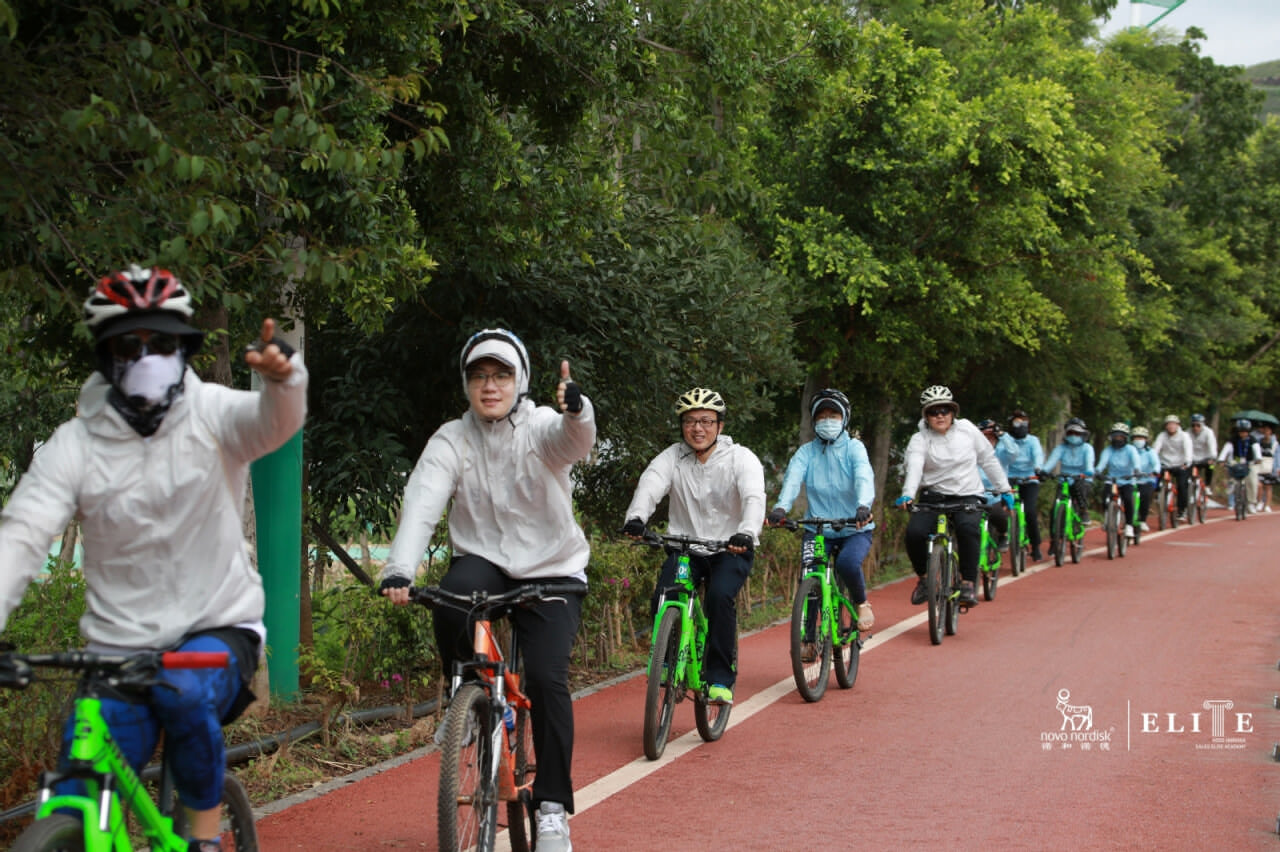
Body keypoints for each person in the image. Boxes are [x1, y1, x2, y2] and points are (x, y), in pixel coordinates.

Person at [0, 265, 307, 852]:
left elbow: (274, 422)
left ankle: (204, 837)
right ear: (105, 356)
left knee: (181, 693)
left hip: (217, 630)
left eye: (161, 343)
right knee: (76, 781)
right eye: (128, 345)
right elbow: (21, 537)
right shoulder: (75, 446)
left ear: (183, 349)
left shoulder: (214, 414)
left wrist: (283, 380)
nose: (146, 358)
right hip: (118, 649)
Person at [379, 328, 593, 852]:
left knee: (547, 679)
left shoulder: (540, 425)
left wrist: (576, 411)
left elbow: (573, 442)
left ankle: (551, 809)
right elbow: (423, 502)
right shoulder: (451, 439)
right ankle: (470, 702)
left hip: (552, 568)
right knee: (451, 598)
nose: (490, 386)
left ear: (521, 382)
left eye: (501, 375)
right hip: (485, 561)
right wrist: (400, 569)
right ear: (466, 385)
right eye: (479, 376)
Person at [623, 387, 765, 707]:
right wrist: (636, 518)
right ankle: (667, 660)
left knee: (719, 598)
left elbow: (754, 497)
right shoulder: (672, 456)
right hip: (686, 548)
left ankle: (720, 679)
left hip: (730, 548)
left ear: (720, 426)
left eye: (706, 421)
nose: (697, 428)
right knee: (664, 594)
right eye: (690, 421)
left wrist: (746, 531)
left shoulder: (741, 458)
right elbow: (651, 483)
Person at [767, 389, 875, 633]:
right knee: (810, 574)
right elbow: (792, 480)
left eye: (833, 415)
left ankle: (861, 603)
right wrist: (781, 508)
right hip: (817, 529)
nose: (827, 421)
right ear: (814, 421)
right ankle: (807, 637)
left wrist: (863, 506)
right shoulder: (806, 452)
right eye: (821, 416)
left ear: (844, 419)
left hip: (855, 527)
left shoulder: (854, 448)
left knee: (847, 563)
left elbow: (863, 476)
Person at [895, 386, 1012, 608]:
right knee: (914, 534)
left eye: (945, 410)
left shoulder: (967, 430)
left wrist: (1004, 489)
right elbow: (915, 467)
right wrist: (908, 494)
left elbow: (987, 459)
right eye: (933, 412)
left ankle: (968, 582)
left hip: (967, 494)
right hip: (933, 496)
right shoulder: (920, 439)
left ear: (953, 412)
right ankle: (924, 579)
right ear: (926, 416)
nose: (940, 416)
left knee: (968, 529)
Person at [996, 408, 1046, 561]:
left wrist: (1038, 469)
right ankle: (1002, 537)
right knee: (1000, 510)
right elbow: (998, 457)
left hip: (1029, 479)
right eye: (1017, 422)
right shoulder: (1005, 440)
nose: (1021, 425)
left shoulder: (1033, 441)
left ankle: (1035, 545)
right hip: (1009, 479)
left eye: (1024, 422)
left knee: (1030, 512)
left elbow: (1038, 455)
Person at [1041, 417, 1096, 532]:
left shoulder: (1087, 448)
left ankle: (1083, 511)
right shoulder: (1061, 448)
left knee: (1080, 487)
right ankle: (1054, 539)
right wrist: (1044, 472)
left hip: (1082, 479)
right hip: (1065, 480)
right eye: (1070, 433)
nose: (1073, 436)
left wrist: (1087, 473)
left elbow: (1089, 464)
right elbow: (1051, 462)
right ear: (1066, 434)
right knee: (1055, 509)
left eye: (1077, 433)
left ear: (1083, 434)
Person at [1094, 423, 1142, 540]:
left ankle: (1129, 525)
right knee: (1105, 498)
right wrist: (1098, 471)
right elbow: (1102, 463)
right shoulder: (1108, 450)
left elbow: (1136, 461)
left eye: (1120, 437)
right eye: (1115, 436)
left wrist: (1137, 470)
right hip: (1112, 480)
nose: (1117, 439)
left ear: (1126, 438)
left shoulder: (1131, 449)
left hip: (1127, 480)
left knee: (1128, 499)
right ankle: (1108, 519)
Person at [976, 419, 1011, 548]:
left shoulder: (1002, 452)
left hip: (995, 494)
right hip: (974, 494)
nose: (988, 440)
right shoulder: (972, 452)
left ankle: (1003, 534)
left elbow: (1013, 453)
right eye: (985, 437)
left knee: (998, 515)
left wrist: (1003, 435)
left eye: (991, 436)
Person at [1151, 414, 1193, 521]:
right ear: (1166, 426)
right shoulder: (1162, 435)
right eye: (1169, 424)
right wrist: (1153, 461)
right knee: (1153, 477)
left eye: (1173, 424)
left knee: (1182, 486)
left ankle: (1182, 510)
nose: (1171, 426)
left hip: (1180, 464)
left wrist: (1187, 462)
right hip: (1165, 463)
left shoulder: (1184, 436)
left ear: (1178, 425)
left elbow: (1188, 450)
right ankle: (1157, 496)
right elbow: (1155, 449)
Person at [1216, 418, 1263, 512]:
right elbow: (1226, 449)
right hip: (1236, 461)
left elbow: (1257, 449)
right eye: (1241, 431)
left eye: (1245, 431)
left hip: (1249, 462)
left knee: (1252, 481)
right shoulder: (1233, 439)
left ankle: (1251, 503)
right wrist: (1221, 459)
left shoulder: (1252, 440)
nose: (1243, 433)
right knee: (1230, 475)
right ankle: (1231, 497)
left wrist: (1258, 459)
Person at [1131, 426, 1160, 531]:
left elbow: (1156, 463)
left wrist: (1155, 471)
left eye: (1141, 438)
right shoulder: (1129, 450)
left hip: (1146, 479)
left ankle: (1143, 520)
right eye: (1136, 438)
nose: (1138, 440)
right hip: (1131, 479)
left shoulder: (1150, 452)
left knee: (1145, 496)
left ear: (1146, 439)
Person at [1188, 413, 1217, 494]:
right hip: (1192, 457)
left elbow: (1212, 445)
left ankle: (1208, 485)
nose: (1195, 428)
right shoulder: (1187, 433)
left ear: (1202, 425)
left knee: (1211, 466)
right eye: (1193, 425)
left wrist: (1212, 457)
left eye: (1198, 425)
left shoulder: (1208, 432)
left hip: (1206, 457)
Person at [1255, 422, 1276, 512]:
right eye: (1265, 430)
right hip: (1260, 465)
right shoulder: (1258, 441)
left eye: (1268, 430)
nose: (1266, 432)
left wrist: (1277, 467)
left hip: (1270, 466)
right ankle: (1259, 502)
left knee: (1268, 487)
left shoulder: (1274, 443)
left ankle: (1267, 505)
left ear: (1270, 431)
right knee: (1259, 485)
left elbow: (1277, 456)